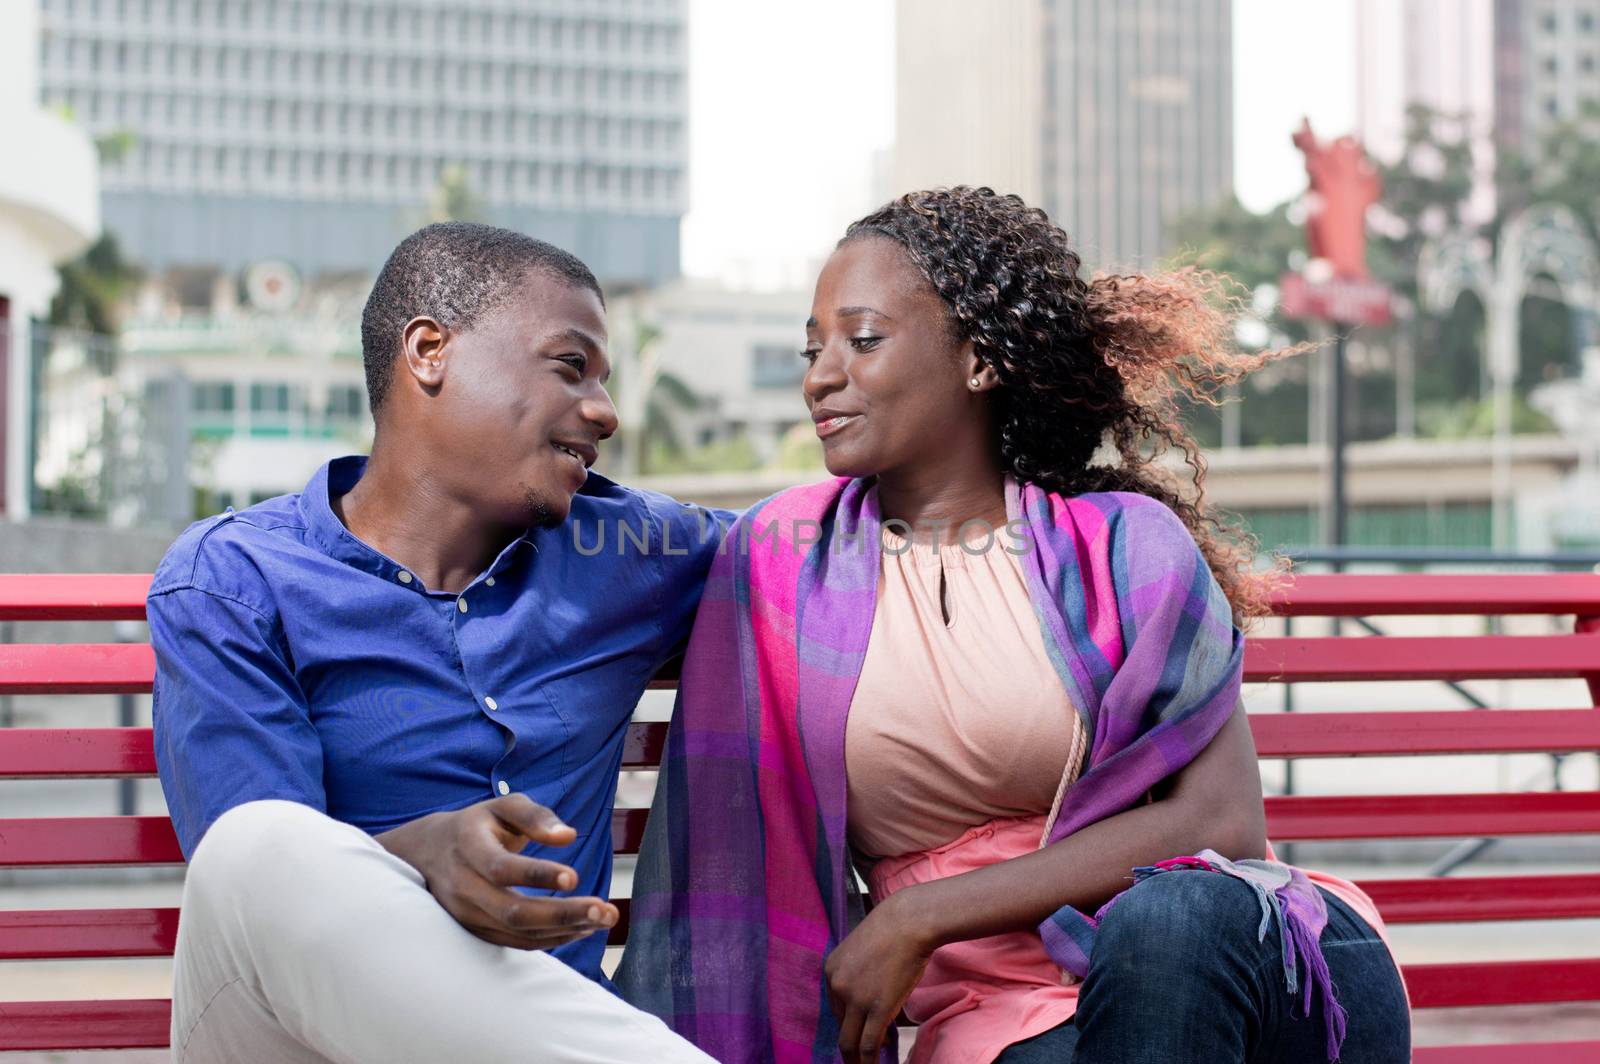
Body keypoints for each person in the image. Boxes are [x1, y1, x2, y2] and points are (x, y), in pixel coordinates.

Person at [618, 188, 1411, 1063]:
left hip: (1253, 971)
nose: (819, 375)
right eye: (813, 348)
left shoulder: (1123, 546)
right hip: (1000, 1009)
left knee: (1170, 918)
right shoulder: (782, 558)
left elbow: (1222, 822)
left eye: (863, 339)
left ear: (982, 360)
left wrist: (923, 913)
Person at [149, 223, 732, 1063]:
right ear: (429, 350)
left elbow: (840, 543)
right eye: (571, 366)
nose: (605, 411)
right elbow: (254, 895)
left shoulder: (626, 553)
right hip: (288, 1039)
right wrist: (420, 857)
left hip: (542, 1032)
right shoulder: (234, 578)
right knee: (255, 846)